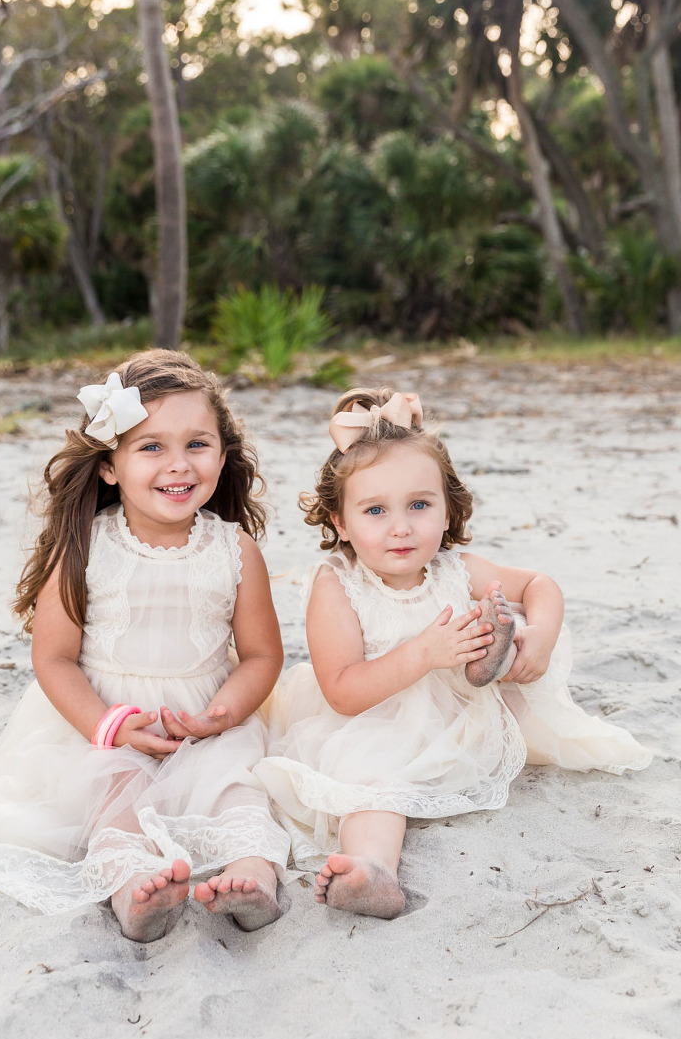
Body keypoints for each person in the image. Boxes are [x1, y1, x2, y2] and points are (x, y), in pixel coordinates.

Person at [255, 388, 652, 920]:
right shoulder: (338, 585)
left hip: (463, 707)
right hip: (374, 714)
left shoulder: (455, 569)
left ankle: (495, 656)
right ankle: (374, 869)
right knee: (372, 783)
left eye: (420, 505)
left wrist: (542, 636)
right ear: (341, 522)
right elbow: (343, 692)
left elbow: (540, 582)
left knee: (514, 647)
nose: (401, 526)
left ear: (447, 509)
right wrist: (423, 653)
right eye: (375, 510)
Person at [0, 349, 290, 941]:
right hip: (102, 723)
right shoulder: (84, 547)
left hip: (201, 722)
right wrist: (109, 725)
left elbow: (264, 655)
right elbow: (54, 659)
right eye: (151, 447)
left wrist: (224, 713)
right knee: (117, 790)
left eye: (198, 444)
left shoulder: (234, 549)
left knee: (238, 789)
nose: (179, 464)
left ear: (223, 454)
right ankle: (135, 891)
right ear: (110, 466)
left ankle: (252, 878)